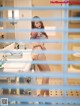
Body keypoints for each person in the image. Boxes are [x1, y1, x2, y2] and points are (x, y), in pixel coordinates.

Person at [30, 16, 51, 96]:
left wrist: (42, 46)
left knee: (45, 75)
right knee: (48, 73)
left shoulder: (40, 31)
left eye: (39, 22)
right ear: (34, 24)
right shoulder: (35, 30)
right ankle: (41, 95)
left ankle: (47, 96)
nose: (38, 24)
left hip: (39, 52)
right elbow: (31, 42)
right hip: (38, 52)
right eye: (36, 22)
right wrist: (40, 45)